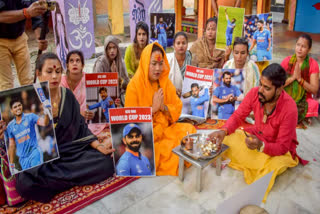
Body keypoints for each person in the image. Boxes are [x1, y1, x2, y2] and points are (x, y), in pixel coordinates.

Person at [16, 53, 114, 203]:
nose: (55, 76)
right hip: (44, 161)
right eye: (49, 72)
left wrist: (98, 145)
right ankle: (66, 180)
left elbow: (81, 127)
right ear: (38, 74)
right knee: (24, 184)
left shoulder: (67, 95)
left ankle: (57, 184)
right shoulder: (28, 102)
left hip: (71, 153)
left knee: (106, 164)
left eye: (57, 71)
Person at [208, 64, 308, 202]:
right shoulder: (255, 93)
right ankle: (250, 158)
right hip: (256, 135)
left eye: (266, 88)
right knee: (229, 138)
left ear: (279, 89)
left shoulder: (290, 108)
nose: (260, 90)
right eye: (261, 84)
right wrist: (224, 131)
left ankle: (255, 163)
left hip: (276, 149)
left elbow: (283, 146)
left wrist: (261, 146)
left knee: (272, 166)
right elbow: (238, 116)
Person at [125, 42, 196, 176]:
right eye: (153, 64)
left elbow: (177, 107)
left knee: (189, 130)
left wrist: (162, 107)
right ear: (146, 63)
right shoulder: (133, 86)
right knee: (165, 151)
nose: (158, 68)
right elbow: (130, 123)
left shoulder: (164, 82)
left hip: (166, 128)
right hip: (147, 136)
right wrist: (152, 110)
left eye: (160, 63)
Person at [0, 0, 48, 91]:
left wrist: (40, 38)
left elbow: (36, 11)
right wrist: (26, 13)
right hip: (1, 42)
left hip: (20, 37)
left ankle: (30, 104)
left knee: (28, 81)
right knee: (6, 85)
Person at [61, 50, 107, 135]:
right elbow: (62, 107)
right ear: (67, 65)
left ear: (82, 65)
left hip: (88, 119)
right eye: (71, 61)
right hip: (69, 119)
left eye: (78, 61)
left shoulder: (89, 80)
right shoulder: (62, 82)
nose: (74, 63)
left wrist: (93, 113)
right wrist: (78, 113)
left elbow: (97, 102)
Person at [281, 34, 319, 123]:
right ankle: (301, 115)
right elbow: (278, 84)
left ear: (309, 49)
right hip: (285, 96)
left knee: (313, 104)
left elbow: (314, 90)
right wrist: (293, 78)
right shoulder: (287, 61)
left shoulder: (313, 64)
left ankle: (291, 114)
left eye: (303, 46)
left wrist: (300, 80)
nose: (299, 49)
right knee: (274, 99)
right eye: (298, 45)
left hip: (304, 99)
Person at [6, 98, 50, 171]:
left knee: (38, 176)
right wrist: (11, 165)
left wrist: (46, 113)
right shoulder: (10, 126)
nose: (18, 108)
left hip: (34, 153)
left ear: (22, 106)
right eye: (15, 107)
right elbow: (11, 146)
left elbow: (45, 123)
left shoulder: (31, 116)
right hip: (23, 160)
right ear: (11, 110)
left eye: (19, 105)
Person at [93, 35, 130, 106]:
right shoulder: (100, 63)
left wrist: (117, 78)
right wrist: (111, 77)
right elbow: (96, 85)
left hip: (119, 99)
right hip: (103, 99)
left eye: (114, 47)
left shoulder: (121, 62)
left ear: (117, 49)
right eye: (109, 48)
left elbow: (127, 84)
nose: (112, 51)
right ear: (106, 50)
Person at [167, 31, 192, 97]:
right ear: (174, 45)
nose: (181, 46)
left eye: (183, 43)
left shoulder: (191, 59)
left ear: (187, 45)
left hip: (188, 97)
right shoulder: (168, 59)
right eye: (178, 43)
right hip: (170, 96)